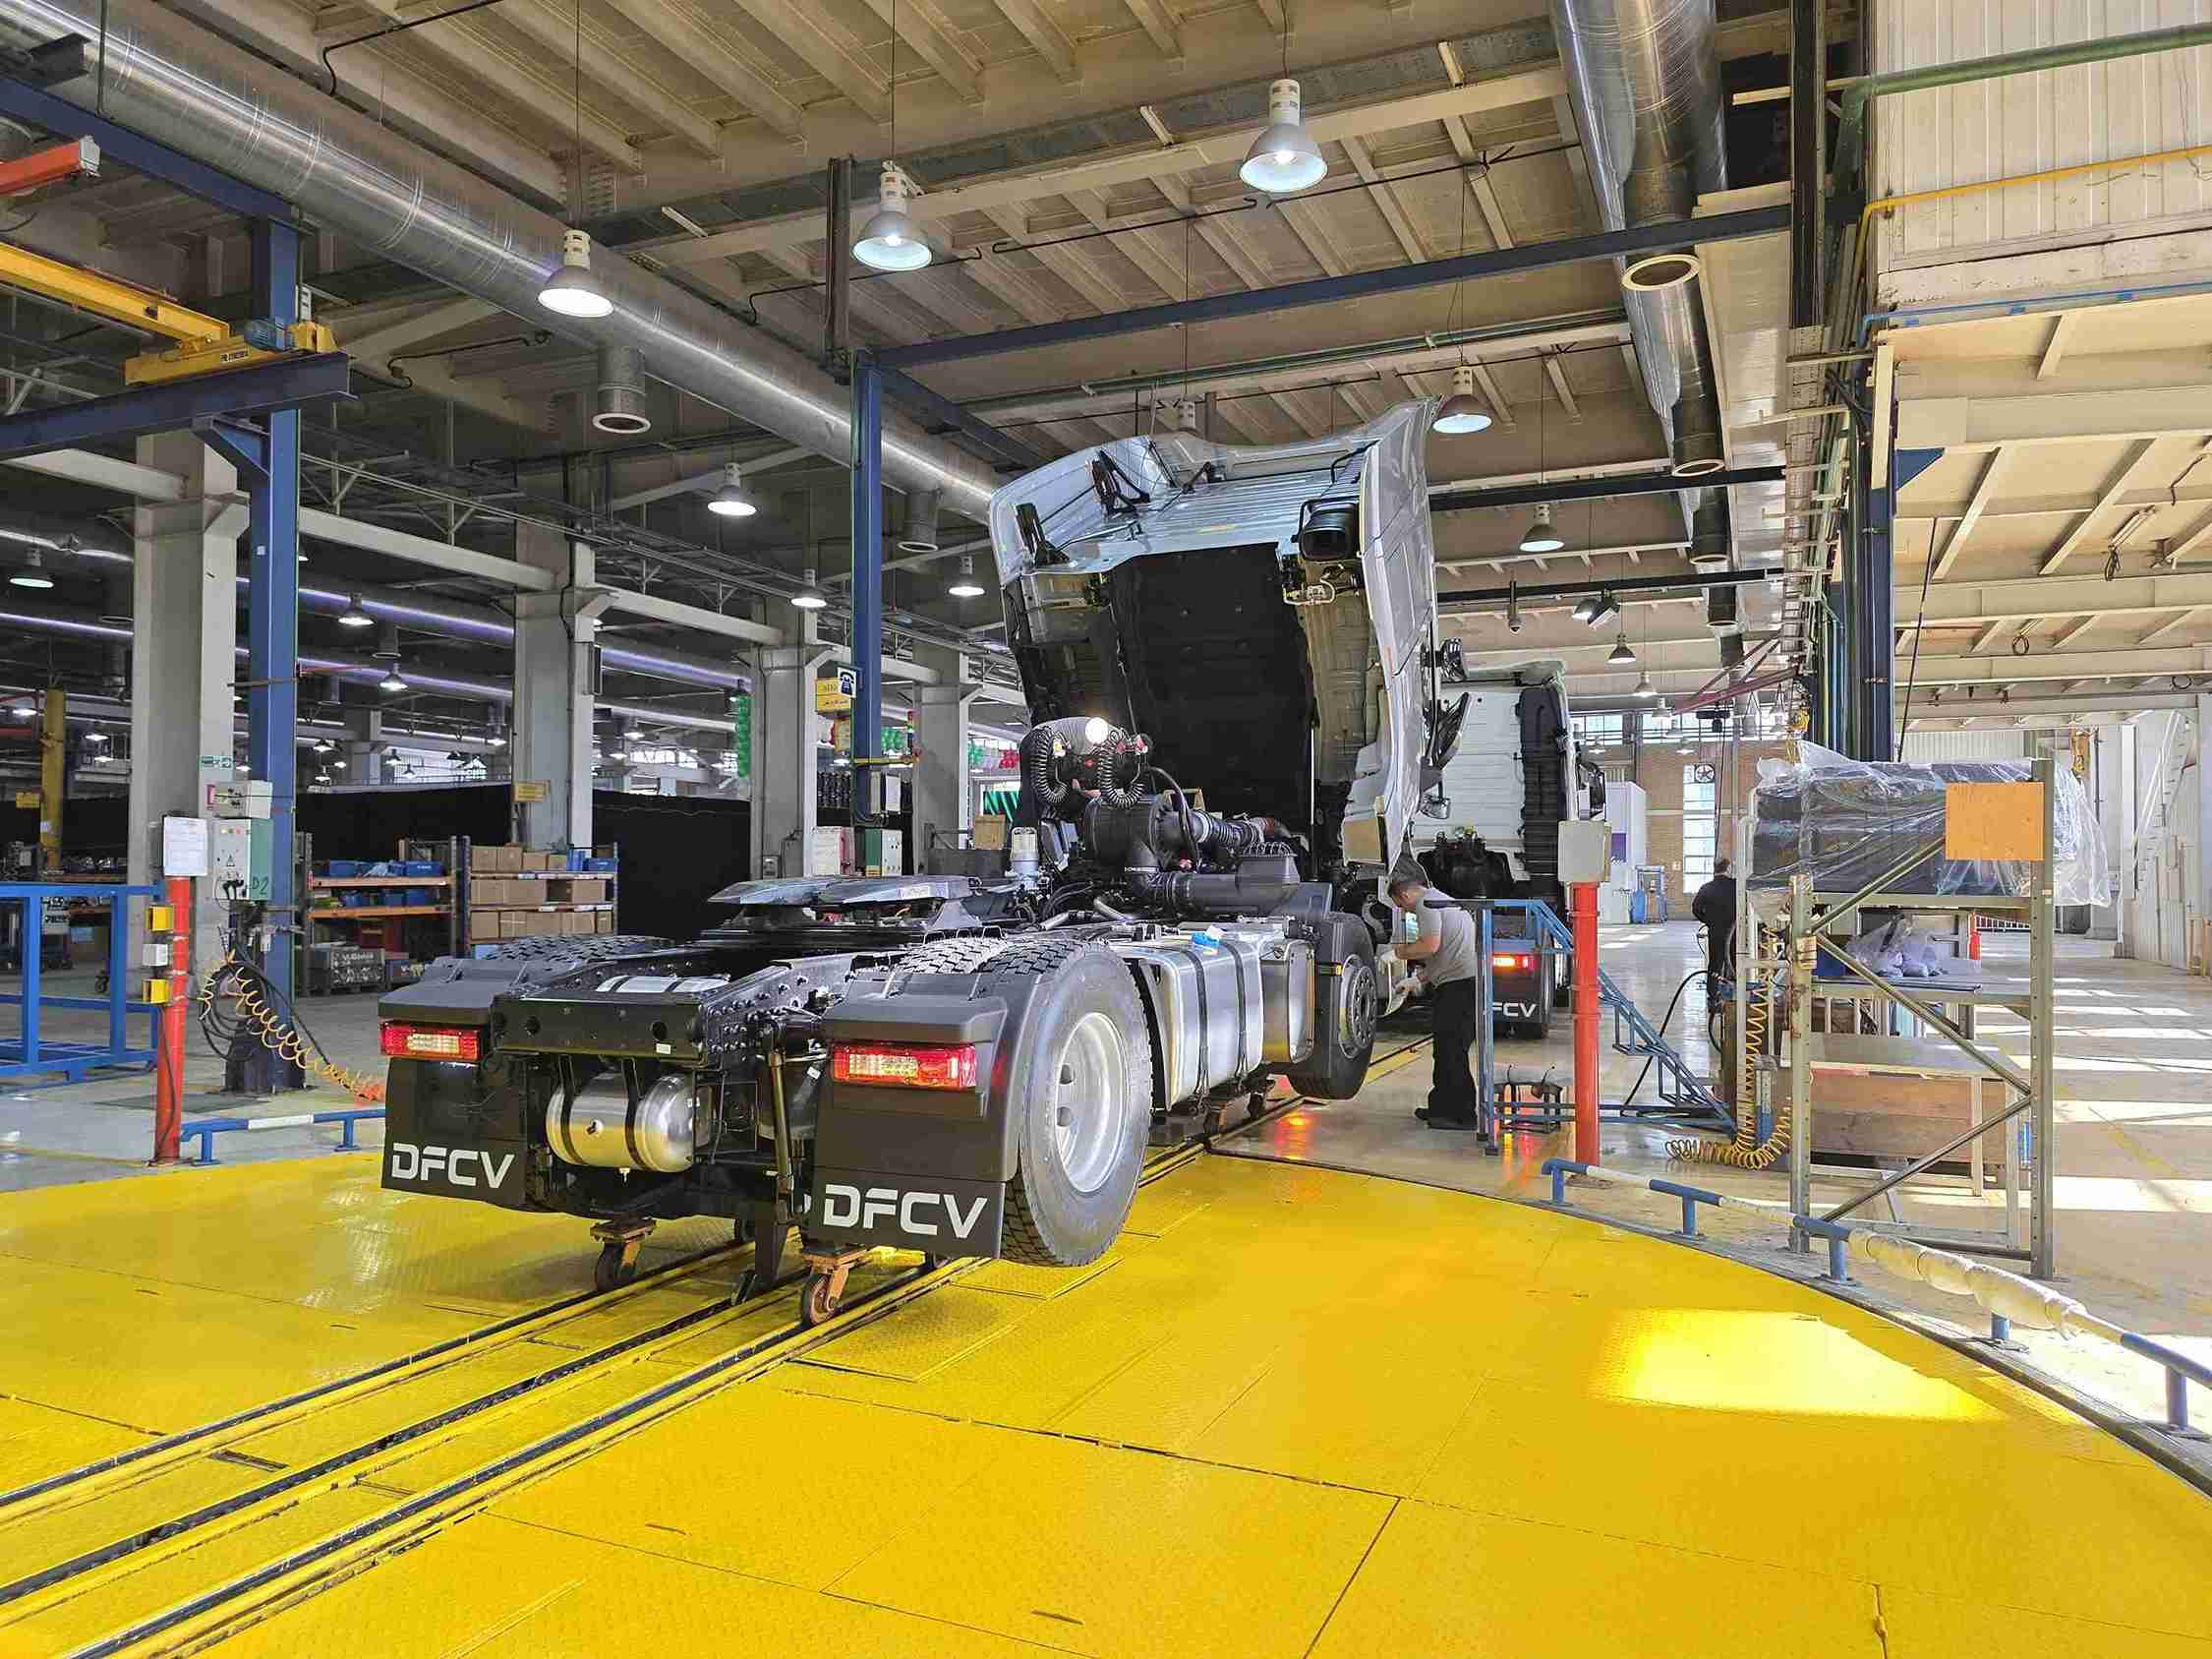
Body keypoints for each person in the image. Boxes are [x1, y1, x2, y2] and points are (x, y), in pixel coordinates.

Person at [1387, 861, 1484, 1132]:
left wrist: (1398, 953)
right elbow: (1446, 955)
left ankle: (1462, 1115)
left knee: (1452, 1051)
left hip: (1458, 988)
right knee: (1445, 1050)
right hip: (1461, 983)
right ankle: (1442, 1107)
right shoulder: (1442, 900)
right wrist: (1416, 980)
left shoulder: (1426, 905)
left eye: (1400, 905)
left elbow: (1430, 946)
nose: (1404, 911)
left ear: (1404, 894)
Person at [1691, 856, 1737, 984]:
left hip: (1715, 931)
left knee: (1715, 963)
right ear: (1728, 869)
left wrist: (1709, 921)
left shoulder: (1707, 888)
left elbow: (1696, 909)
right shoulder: (1736, 886)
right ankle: (1735, 988)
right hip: (1734, 931)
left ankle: (1713, 990)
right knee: (1734, 960)